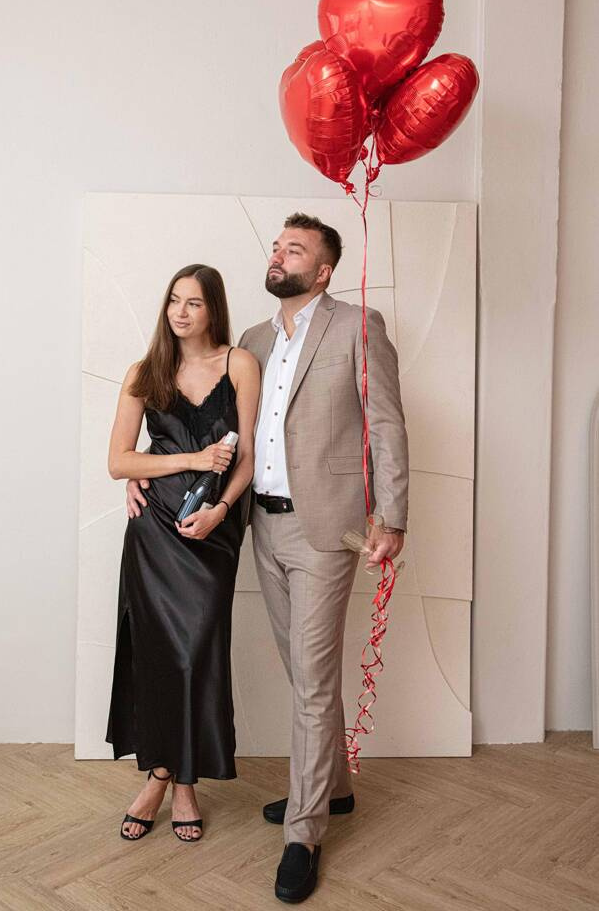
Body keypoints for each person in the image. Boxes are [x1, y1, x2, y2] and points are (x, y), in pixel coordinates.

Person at [127, 212, 408, 901]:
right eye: (278, 245)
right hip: (259, 527)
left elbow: (385, 423)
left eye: (296, 249)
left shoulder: (358, 326)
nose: (279, 254)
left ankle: (303, 835)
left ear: (323, 271)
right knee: (303, 671)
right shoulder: (250, 342)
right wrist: (142, 475)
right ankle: (333, 789)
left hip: (327, 529)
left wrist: (392, 517)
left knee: (311, 682)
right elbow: (214, 435)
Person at [106, 263, 260, 843]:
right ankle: (167, 780)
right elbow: (119, 461)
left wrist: (222, 509)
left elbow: (248, 456)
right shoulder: (144, 372)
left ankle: (180, 778)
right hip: (153, 531)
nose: (181, 312)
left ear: (213, 308)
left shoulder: (239, 364)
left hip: (213, 531)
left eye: (194, 302)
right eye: (174, 300)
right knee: (159, 657)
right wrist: (190, 460)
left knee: (198, 654)